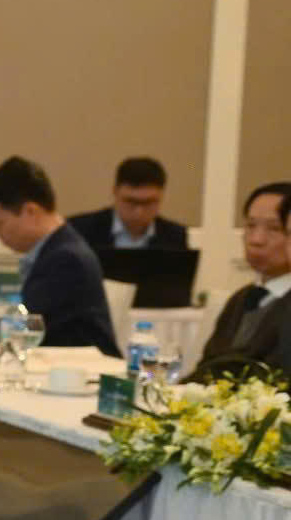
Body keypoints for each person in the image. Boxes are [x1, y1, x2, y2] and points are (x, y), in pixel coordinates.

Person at [0, 157, 120, 356]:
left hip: (89, 369)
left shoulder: (66, 259)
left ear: (30, 211)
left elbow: (22, 327)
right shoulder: (59, 249)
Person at [196, 182, 291, 374]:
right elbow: (208, 366)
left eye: (274, 228)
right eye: (250, 225)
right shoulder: (239, 298)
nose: (256, 240)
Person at [66, 156, 188, 250]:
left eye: (149, 202)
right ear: (115, 192)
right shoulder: (77, 231)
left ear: (161, 195)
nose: (139, 211)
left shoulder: (179, 238)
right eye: (131, 201)